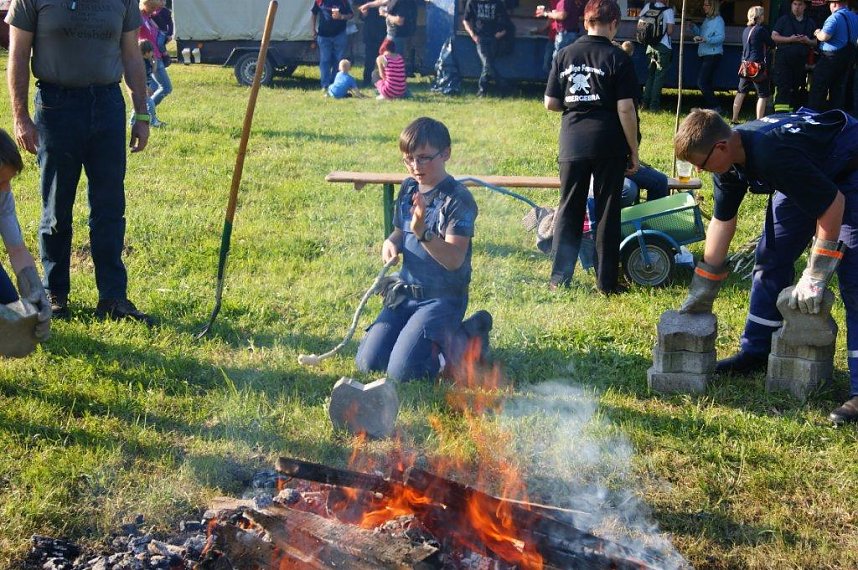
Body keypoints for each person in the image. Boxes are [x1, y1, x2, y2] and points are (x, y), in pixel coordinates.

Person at [674, 107, 858, 425]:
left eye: (700, 165)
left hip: (849, 171)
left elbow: (832, 205)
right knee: (772, 255)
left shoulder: (771, 152)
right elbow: (722, 221)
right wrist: (704, 287)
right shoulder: (728, 162)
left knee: (853, 278)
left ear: (720, 147)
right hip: (803, 171)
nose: (700, 172)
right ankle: (756, 352)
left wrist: (815, 274)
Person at [6, 0, 153, 324]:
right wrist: (21, 118)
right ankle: (55, 293)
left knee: (110, 207)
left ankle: (113, 298)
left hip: (107, 104)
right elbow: (17, 55)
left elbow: (131, 55)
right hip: (56, 107)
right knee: (56, 208)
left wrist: (142, 113)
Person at [355, 117, 492, 382]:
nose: (415, 167)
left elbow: (454, 259)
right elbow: (399, 230)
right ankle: (414, 337)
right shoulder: (409, 187)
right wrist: (391, 242)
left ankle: (471, 333)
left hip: (442, 299)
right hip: (406, 293)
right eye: (408, 159)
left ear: (446, 154)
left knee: (404, 373)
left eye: (423, 158)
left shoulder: (458, 199)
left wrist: (423, 233)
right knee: (368, 364)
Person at [544, 0, 639, 293]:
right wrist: (633, 150)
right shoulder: (618, 58)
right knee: (608, 211)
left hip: (572, 141)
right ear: (614, 24)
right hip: (609, 142)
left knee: (569, 209)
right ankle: (606, 282)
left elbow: (550, 103)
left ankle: (559, 280)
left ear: (585, 22)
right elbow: (626, 109)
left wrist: (576, 105)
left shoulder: (564, 54)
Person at [0, 129, 50, 345]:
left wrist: (36, 290)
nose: (6, 189)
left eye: (8, 181)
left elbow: (17, 249)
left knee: (14, 315)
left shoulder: (3, 196)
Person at [808, 0, 858, 112]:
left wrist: (817, 33)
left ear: (834, 4)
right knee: (838, 91)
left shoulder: (834, 17)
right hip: (847, 59)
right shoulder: (855, 17)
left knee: (818, 89)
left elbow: (825, 36)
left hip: (829, 59)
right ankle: (835, 119)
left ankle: (814, 117)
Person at [731, 6, 774, 123]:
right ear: (759, 17)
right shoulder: (761, 30)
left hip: (745, 65)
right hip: (756, 66)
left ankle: (734, 118)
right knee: (762, 94)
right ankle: (759, 120)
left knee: (741, 92)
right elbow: (771, 43)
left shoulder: (746, 30)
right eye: (763, 14)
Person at [771, 0, 816, 113]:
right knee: (783, 87)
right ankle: (780, 115)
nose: (797, 7)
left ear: (805, 6)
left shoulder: (810, 22)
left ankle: (792, 115)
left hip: (800, 62)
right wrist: (790, 39)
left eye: (800, 4)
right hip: (783, 62)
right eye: (794, 4)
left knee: (796, 88)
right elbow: (774, 36)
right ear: (791, 5)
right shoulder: (784, 20)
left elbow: (815, 42)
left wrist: (808, 41)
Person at [462, 0, 511, 97]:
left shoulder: (497, 3)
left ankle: (484, 91)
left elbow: (506, 22)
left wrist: (499, 35)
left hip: (494, 38)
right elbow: (465, 20)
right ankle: (500, 86)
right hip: (480, 38)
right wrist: (473, 35)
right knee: (487, 63)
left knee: (487, 65)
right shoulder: (472, 2)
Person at [138, 0, 172, 128]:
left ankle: (141, 117)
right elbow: (135, 38)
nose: (155, 10)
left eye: (156, 8)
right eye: (153, 7)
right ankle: (147, 117)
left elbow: (156, 34)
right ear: (146, 4)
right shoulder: (138, 17)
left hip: (156, 57)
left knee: (150, 92)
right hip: (148, 57)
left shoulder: (148, 16)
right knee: (166, 88)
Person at [311, 0, 354, 92]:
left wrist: (341, 16)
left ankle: (336, 83)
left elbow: (351, 15)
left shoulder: (343, 1)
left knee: (338, 60)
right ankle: (325, 85)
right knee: (325, 60)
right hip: (323, 35)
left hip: (339, 34)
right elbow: (314, 13)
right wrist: (313, 29)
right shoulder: (319, 1)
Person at [691, 0, 725, 113]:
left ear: (713, 6)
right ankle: (711, 108)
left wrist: (707, 39)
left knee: (701, 82)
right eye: (704, 4)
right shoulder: (707, 20)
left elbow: (721, 38)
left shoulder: (718, 20)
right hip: (705, 54)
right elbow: (702, 33)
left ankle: (716, 106)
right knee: (707, 82)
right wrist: (694, 28)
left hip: (713, 54)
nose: (703, 6)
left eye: (706, 5)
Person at [640, 0, 675, 112]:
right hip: (663, 46)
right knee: (659, 77)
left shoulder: (647, 7)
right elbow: (670, 31)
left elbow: (641, 22)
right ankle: (654, 106)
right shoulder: (668, 10)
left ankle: (644, 104)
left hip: (650, 46)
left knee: (650, 76)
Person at [536, 0, 584, 73]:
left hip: (566, 34)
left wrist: (546, 13)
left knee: (559, 61)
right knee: (555, 62)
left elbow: (562, 15)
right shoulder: (564, 2)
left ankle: (558, 81)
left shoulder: (566, 2)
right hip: (562, 34)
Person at [356, 0, 387, 87]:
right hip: (370, 34)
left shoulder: (384, 1)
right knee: (369, 60)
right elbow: (361, 17)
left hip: (383, 33)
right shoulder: (366, 1)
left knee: (384, 60)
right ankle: (366, 80)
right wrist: (364, 14)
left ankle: (384, 81)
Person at [151, 0, 173, 65]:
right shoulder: (152, 11)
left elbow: (170, 24)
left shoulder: (166, 11)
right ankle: (159, 59)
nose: (163, 2)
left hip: (163, 31)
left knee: (160, 43)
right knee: (155, 44)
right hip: (154, 31)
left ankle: (166, 56)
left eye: (164, 1)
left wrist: (169, 34)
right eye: (161, 1)